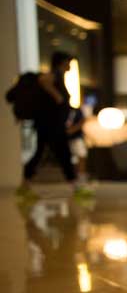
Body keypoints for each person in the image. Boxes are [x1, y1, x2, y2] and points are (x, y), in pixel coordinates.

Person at [18, 51, 90, 198]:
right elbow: (44, 81)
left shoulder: (59, 77)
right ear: (63, 62)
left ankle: (24, 187)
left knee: (40, 155)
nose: (70, 66)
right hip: (51, 125)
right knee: (63, 154)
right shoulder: (54, 75)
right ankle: (75, 187)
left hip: (49, 125)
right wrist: (56, 95)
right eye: (69, 62)